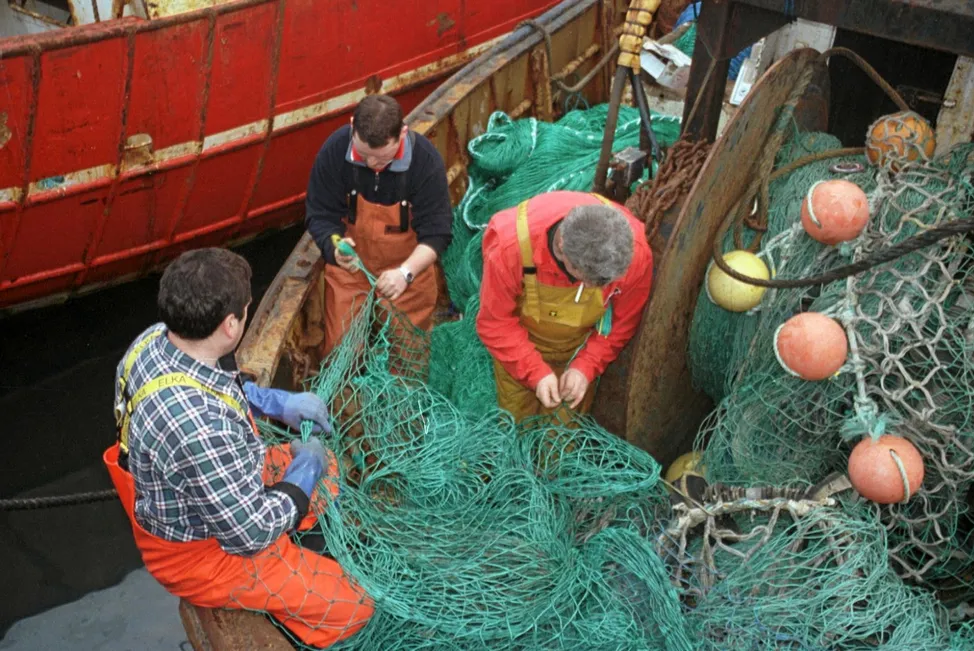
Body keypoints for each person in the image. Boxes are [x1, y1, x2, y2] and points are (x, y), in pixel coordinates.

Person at [103, 248, 373, 649]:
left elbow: (210, 381)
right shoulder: (203, 428)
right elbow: (248, 535)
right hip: (203, 555)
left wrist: (273, 402)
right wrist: (301, 478)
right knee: (355, 607)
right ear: (231, 325)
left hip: (202, 488)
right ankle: (289, 619)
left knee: (328, 467)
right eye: (246, 310)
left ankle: (299, 549)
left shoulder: (154, 340)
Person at [476, 190, 654, 424]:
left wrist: (586, 366)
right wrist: (535, 373)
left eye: (605, 283)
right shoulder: (510, 247)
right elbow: (495, 323)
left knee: (563, 433)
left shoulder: (634, 252)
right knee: (517, 422)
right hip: (517, 350)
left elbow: (622, 323)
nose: (595, 287)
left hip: (579, 350)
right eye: (587, 279)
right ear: (561, 246)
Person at [305, 94, 453, 354]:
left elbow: (437, 233)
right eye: (363, 156)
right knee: (340, 349)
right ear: (353, 127)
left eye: (384, 158)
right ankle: (344, 390)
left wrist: (405, 273)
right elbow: (320, 215)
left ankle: (403, 391)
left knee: (410, 351)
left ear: (403, 134)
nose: (373, 165)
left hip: (408, 270)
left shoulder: (425, 162)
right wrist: (335, 247)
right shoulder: (335, 149)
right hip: (351, 269)